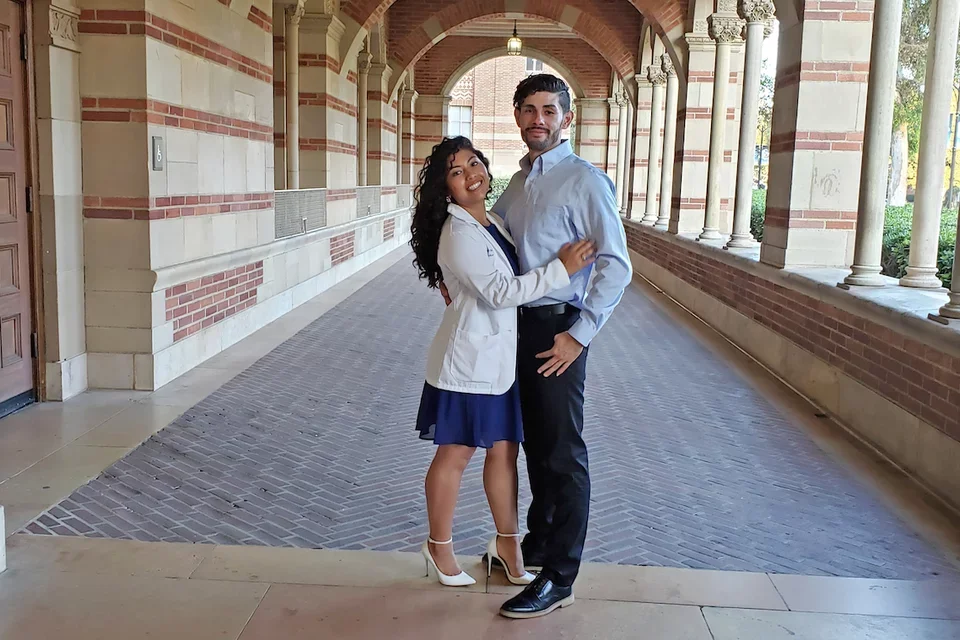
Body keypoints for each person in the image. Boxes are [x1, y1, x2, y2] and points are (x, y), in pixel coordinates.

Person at [469, 74, 633, 619]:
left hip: (557, 329)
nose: (537, 118)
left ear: (566, 118)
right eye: (528, 109)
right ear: (517, 116)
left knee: (563, 452)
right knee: (536, 443)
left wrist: (578, 335)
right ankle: (537, 545)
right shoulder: (518, 183)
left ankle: (559, 576)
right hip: (517, 324)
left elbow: (616, 266)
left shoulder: (584, 180)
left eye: (548, 109)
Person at [409, 135, 597, 588]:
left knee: (505, 452)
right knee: (457, 452)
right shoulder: (457, 233)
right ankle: (439, 548)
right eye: (457, 172)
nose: (471, 174)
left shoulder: (492, 220)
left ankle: (508, 543)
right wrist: (562, 269)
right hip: (469, 361)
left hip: (499, 362)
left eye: (475, 163)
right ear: (445, 188)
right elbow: (501, 292)